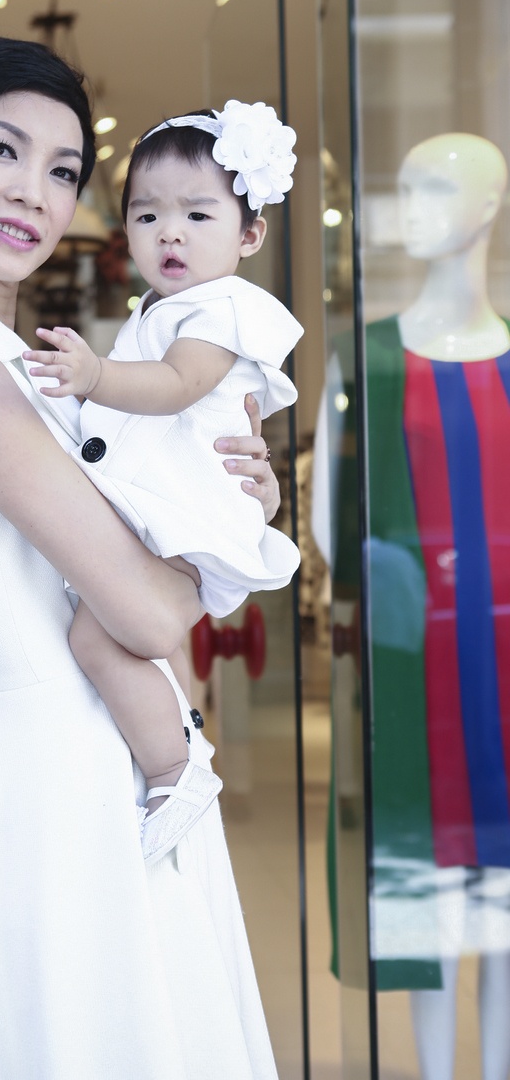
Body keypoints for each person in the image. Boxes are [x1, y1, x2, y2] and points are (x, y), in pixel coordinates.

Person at [0, 36, 283, 1079]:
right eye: (0, 149)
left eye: (62, 170)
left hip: (109, 757)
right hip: (72, 778)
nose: (33, 192)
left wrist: (237, 495)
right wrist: (218, 551)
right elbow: (143, 616)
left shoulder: (15, 365)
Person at [22, 102, 302, 862]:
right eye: (148, 216)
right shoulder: (163, 308)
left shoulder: (224, 309)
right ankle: (183, 741)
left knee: (99, 635)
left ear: (249, 235)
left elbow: (178, 387)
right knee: (142, 646)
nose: (170, 233)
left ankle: (175, 770)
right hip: (168, 511)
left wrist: (93, 376)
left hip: (190, 515)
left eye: (197, 215)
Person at [314, 133, 510, 1080]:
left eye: (437, 187)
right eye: (406, 187)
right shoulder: (367, 356)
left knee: (506, 887)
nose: (413, 206)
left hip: (504, 664)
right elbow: (329, 525)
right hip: (410, 663)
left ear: (490, 207)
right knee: (424, 878)